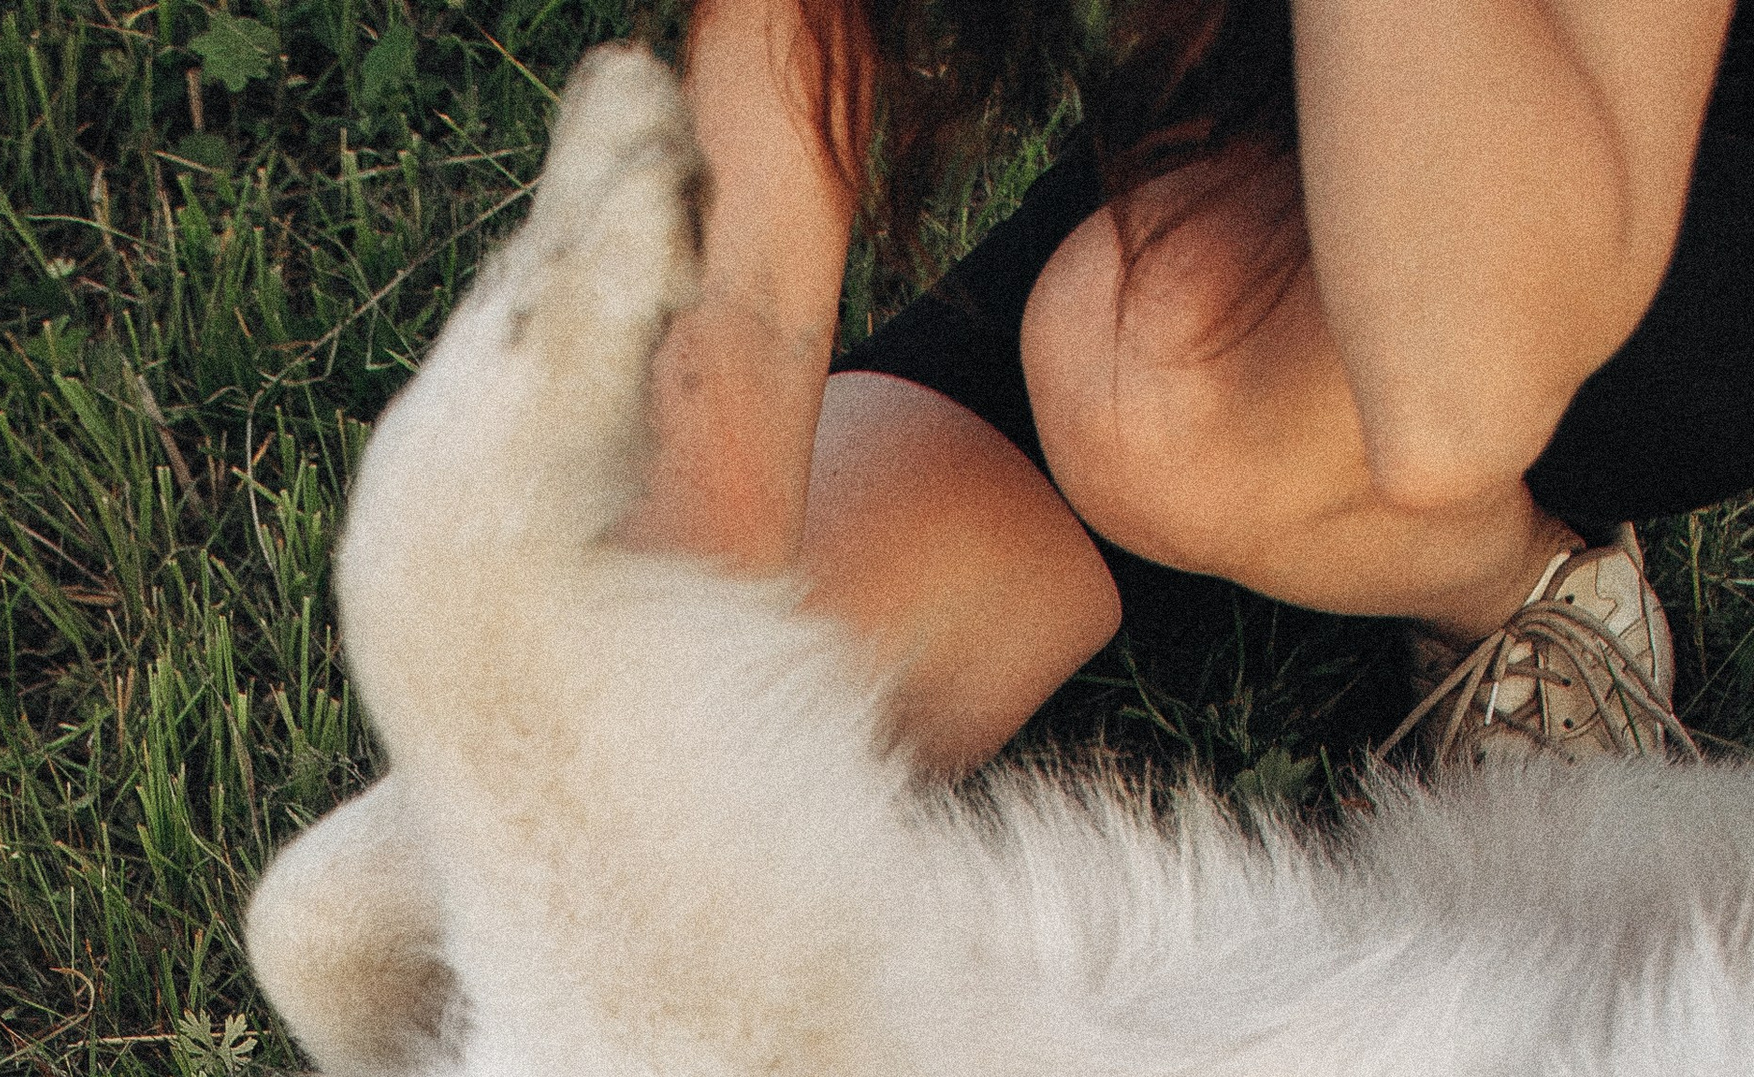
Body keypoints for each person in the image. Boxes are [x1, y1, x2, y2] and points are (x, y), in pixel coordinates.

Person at [633, 0, 1751, 770]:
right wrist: (675, 693)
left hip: (1632, 185)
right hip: (1280, 119)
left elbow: (1451, 407)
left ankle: (1520, 580)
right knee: (625, 750)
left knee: (1153, 395)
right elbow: (747, 282)